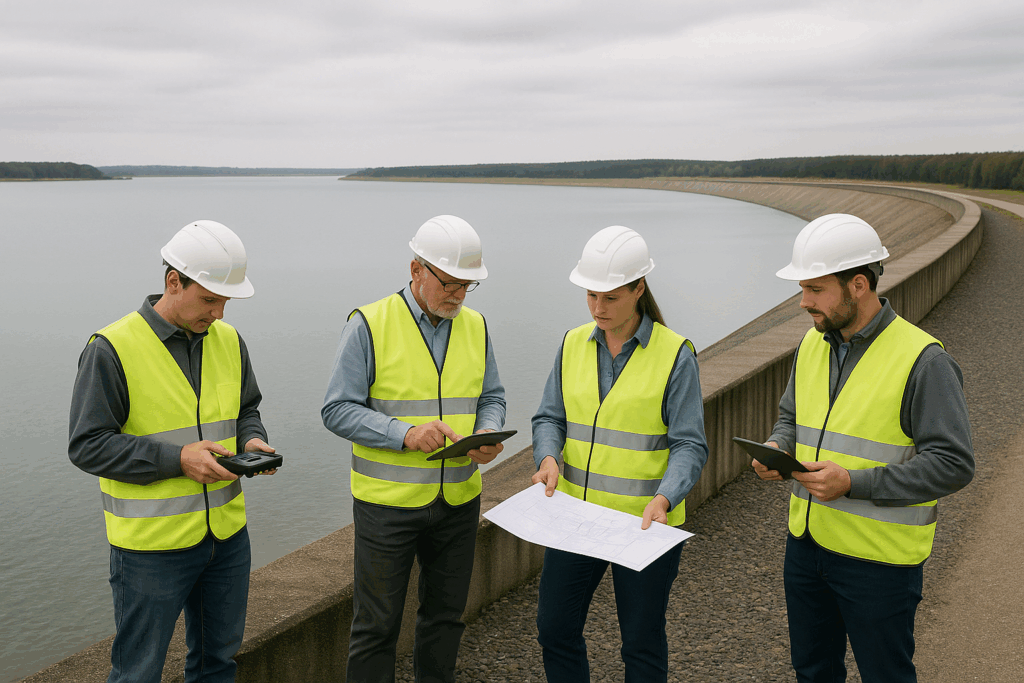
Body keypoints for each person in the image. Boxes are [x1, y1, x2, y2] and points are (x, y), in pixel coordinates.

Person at [753, 213, 974, 683]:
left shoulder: (924, 360)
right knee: (813, 671)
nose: (801, 303)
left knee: (886, 675)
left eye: (814, 290)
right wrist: (777, 446)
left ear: (858, 284)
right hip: (807, 546)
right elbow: (791, 418)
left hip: (880, 563)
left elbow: (953, 464)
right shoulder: (811, 345)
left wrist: (853, 482)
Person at [69, 220, 276, 683]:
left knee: (217, 664)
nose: (220, 313)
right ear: (172, 281)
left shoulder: (229, 341)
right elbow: (86, 445)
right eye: (209, 299)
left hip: (226, 539)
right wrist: (177, 459)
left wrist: (252, 441)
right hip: (150, 551)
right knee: (138, 673)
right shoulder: (111, 348)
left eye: (226, 301)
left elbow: (247, 408)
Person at [322, 214, 507, 683]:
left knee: (446, 619)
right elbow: (336, 410)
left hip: (459, 502)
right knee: (376, 627)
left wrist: (486, 433)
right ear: (416, 269)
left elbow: (492, 396)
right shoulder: (368, 324)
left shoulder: (477, 326)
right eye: (449, 283)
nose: (459, 295)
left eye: (468, 286)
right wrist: (402, 433)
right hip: (387, 506)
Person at [531, 225, 709, 683]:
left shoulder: (676, 355)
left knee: (641, 644)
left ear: (639, 289)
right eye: (591, 295)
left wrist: (666, 498)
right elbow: (550, 417)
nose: (597, 308)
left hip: (645, 523)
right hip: (575, 518)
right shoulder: (572, 343)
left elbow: (689, 444)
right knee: (554, 630)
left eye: (610, 297)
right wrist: (548, 458)